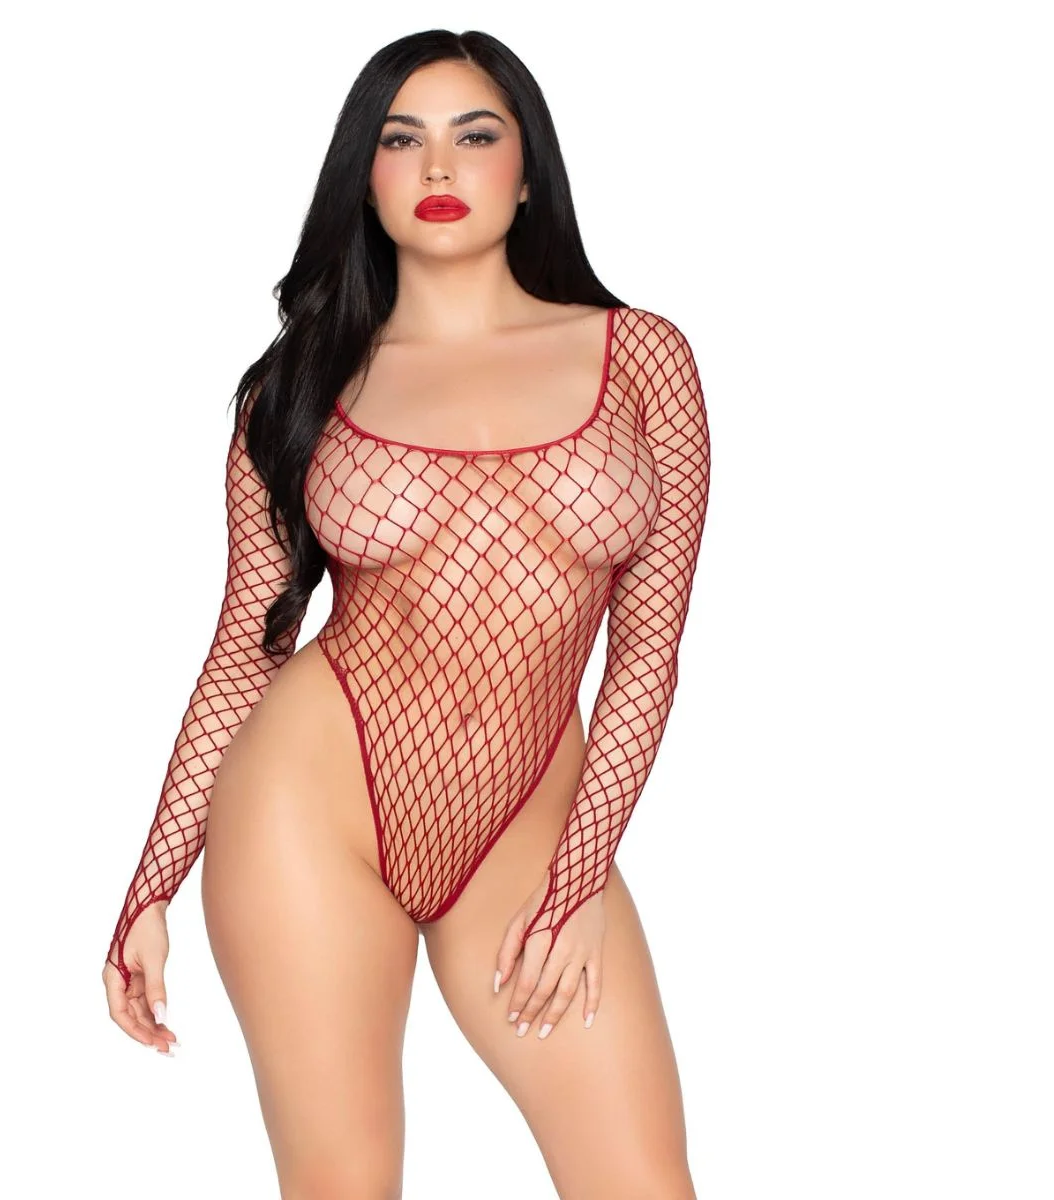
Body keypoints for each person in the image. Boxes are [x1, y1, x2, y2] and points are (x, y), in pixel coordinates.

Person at [102, 28, 710, 1199]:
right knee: (344, 1183)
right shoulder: (297, 385)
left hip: (531, 818)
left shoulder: (644, 358)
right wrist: (151, 881)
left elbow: (649, 649)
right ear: (365, 177)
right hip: (311, 806)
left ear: (527, 173)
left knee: (641, 1181)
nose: (438, 166)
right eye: (401, 140)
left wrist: (582, 874)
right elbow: (247, 645)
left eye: (475, 136)